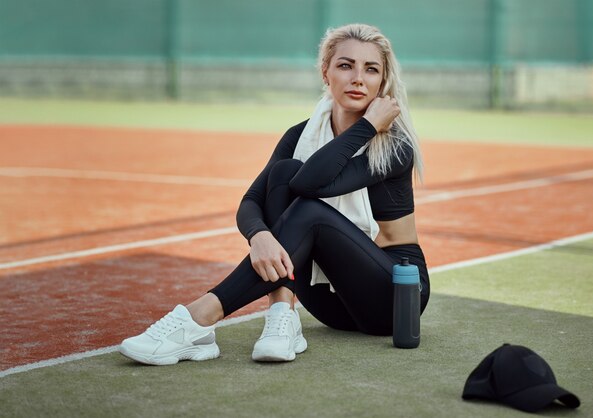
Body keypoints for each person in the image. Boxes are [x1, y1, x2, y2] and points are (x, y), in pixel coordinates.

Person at [119, 23, 430, 366]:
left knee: (305, 204)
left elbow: (311, 184)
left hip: (394, 299)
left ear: (382, 82)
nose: (358, 78)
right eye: (346, 65)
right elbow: (251, 201)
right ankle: (282, 317)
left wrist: (368, 126)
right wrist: (260, 236)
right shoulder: (302, 134)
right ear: (325, 72)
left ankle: (198, 317)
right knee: (282, 173)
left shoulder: (394, 145)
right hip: (330, 303)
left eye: (371, 69)